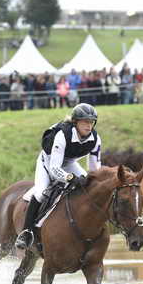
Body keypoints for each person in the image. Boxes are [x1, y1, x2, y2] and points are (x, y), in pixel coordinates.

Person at [15, 103, 102, 250]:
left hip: (70, 162)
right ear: (75, 122)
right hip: (48, 162)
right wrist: (70, 178)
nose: (89, 125)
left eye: (91, 122)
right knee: (41, 192)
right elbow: (55, 168)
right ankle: (26, 231)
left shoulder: (95, 139)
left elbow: (95, 169)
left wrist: (94, 183)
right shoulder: (63, 135)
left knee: (88, 187)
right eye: (85, 122)